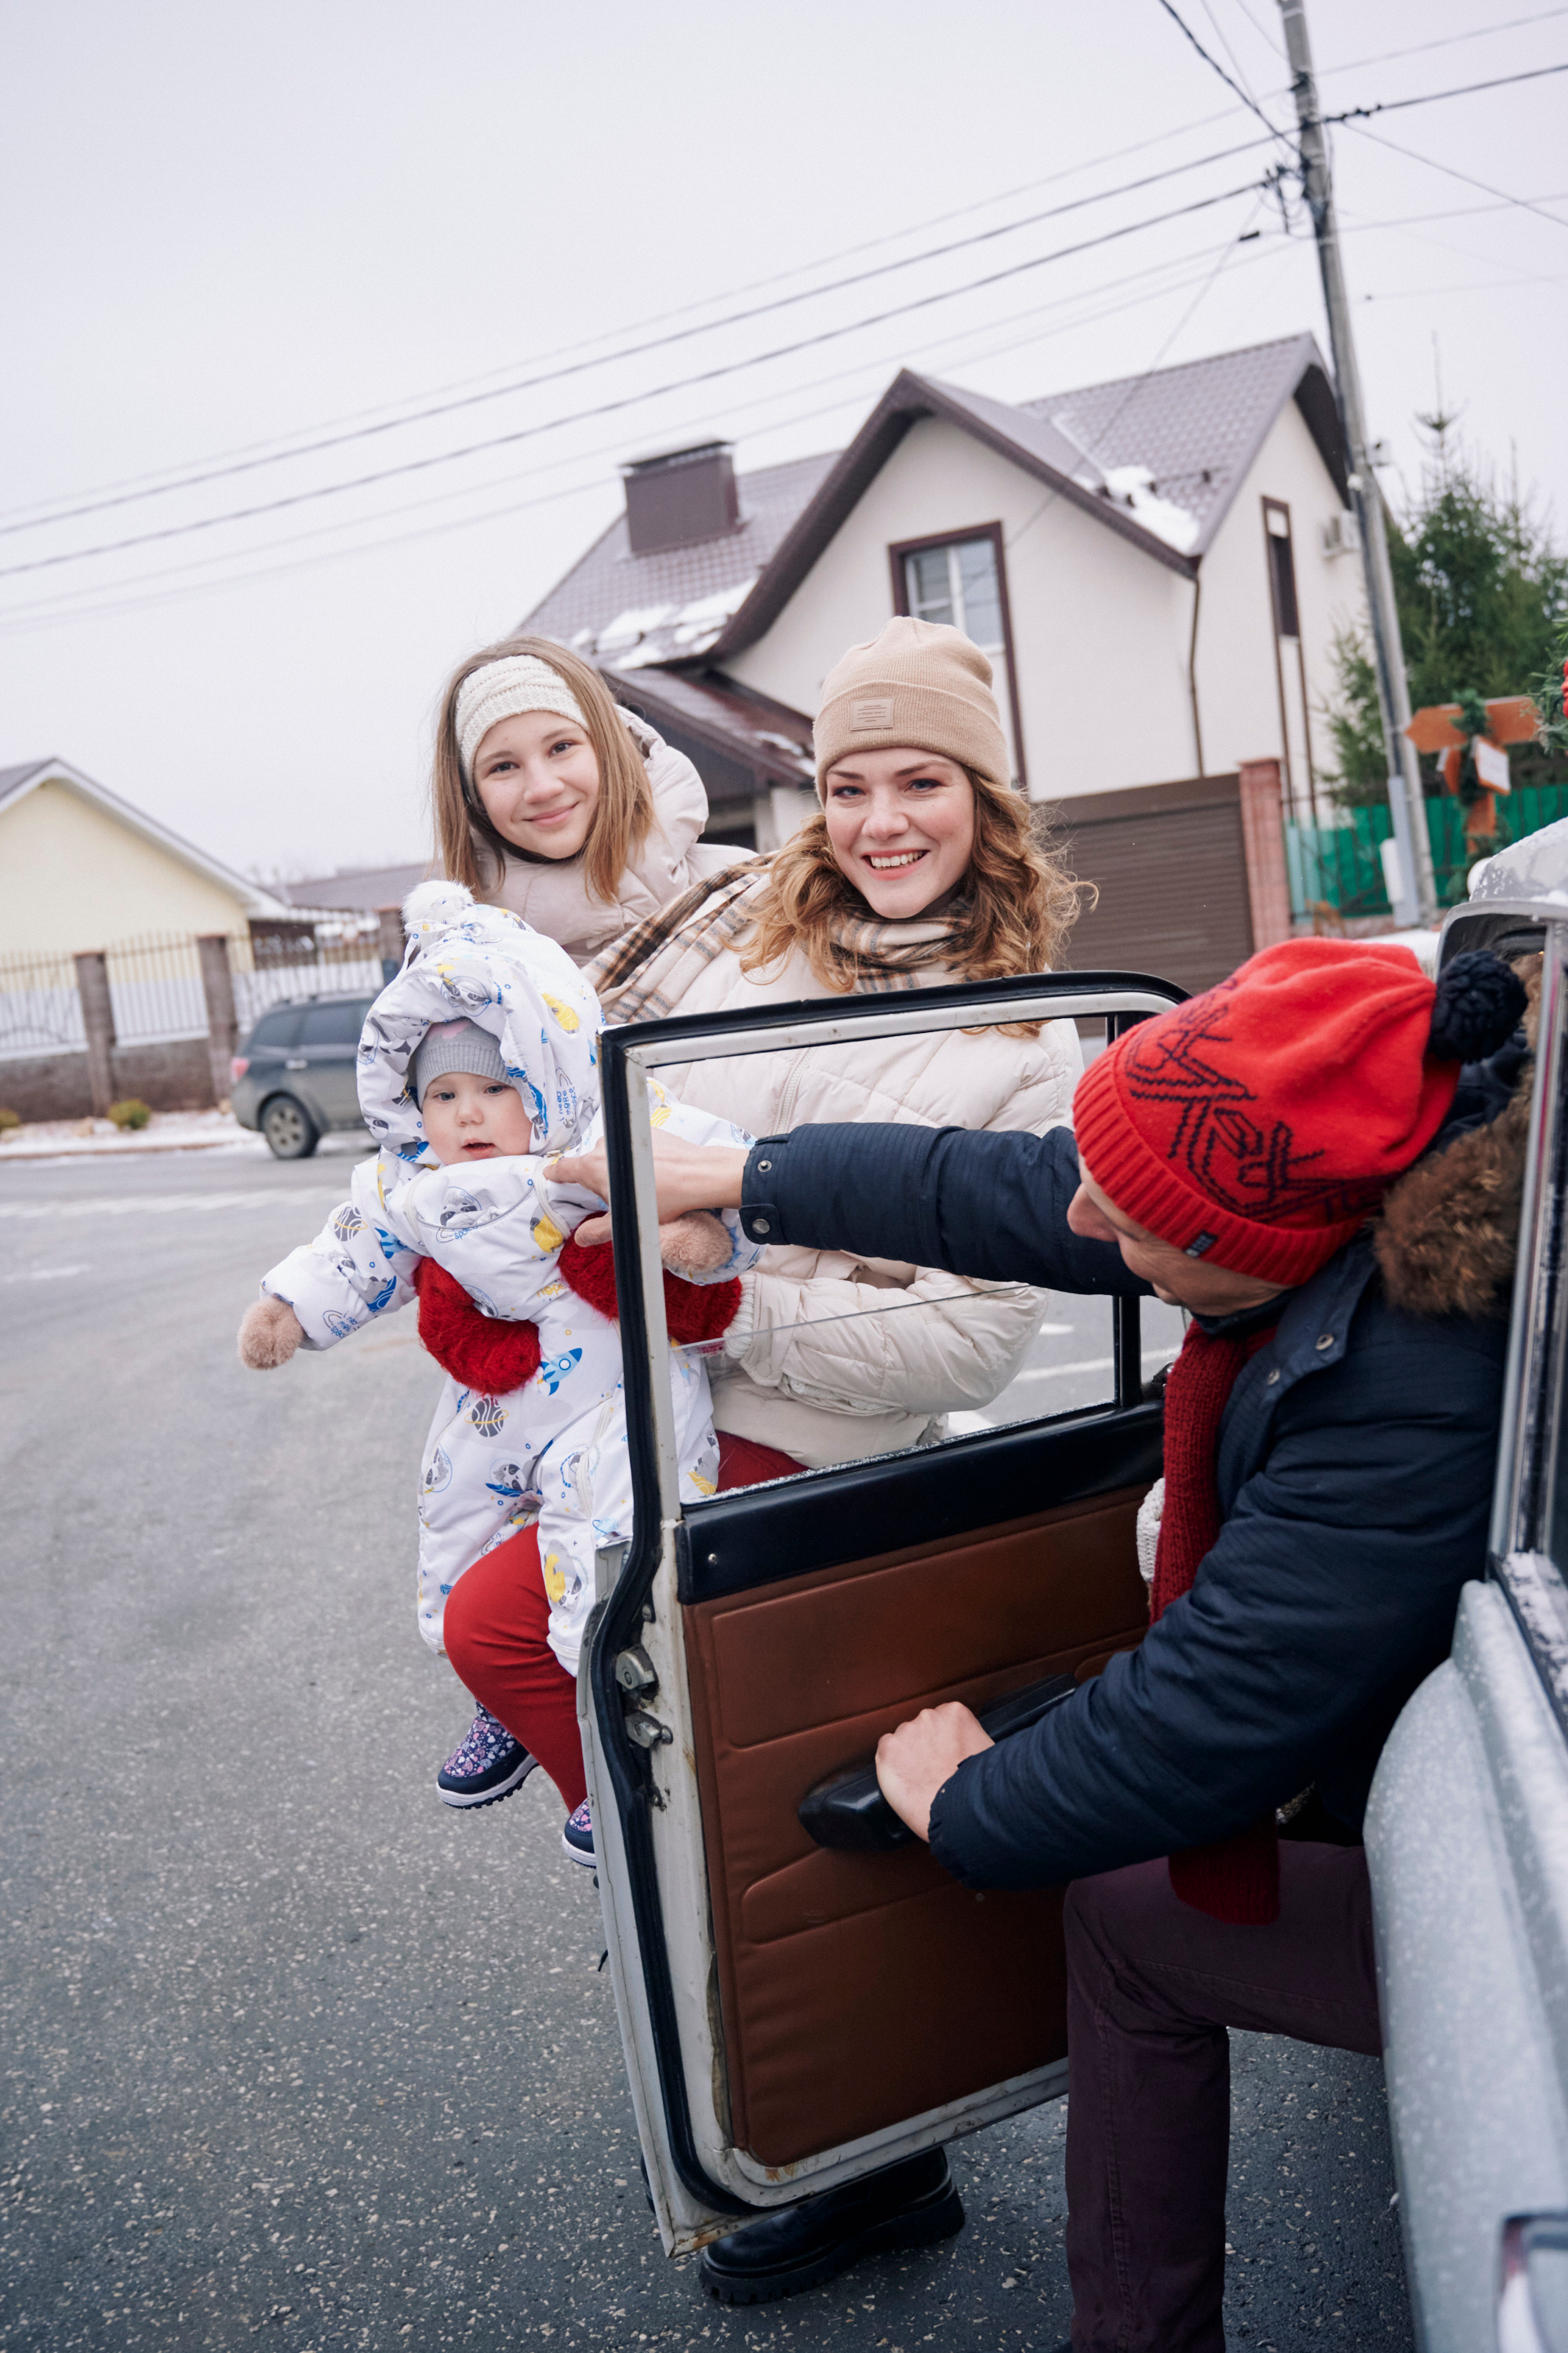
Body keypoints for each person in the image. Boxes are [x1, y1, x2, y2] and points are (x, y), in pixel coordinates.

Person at [555, 936, 1533, 2344]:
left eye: (1130, 1222)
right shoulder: (1352, 1181)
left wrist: (967, 1805)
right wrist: (750, 1179)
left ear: (1240, 1251)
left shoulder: (1410, 1386)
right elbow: (1018, 1189)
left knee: (1128, 1914)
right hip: (1397, 1719)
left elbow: (1204, 1724)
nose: (1077, 1217)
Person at [235, 883, 757, 1867]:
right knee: (454, 1524)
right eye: (442, 1095)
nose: (468, 1115)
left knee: (605, 1540)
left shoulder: (604, 1130)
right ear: (410, 1103)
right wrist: (290, 1309)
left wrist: (690, 1234)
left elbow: (718, 1166)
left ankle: (608, 1720)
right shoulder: (408, 1184)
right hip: (498, 1403)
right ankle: (506, 1701)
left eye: (494, 1088)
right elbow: (354, 1249)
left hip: (619, 1396)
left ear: (546, 1075)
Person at [430, 635, 749, 967]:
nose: (543, 789)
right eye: (503, 767)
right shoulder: (464, 973)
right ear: (474, 797)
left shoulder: (756, 898)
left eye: (561, 747)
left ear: (607, 748)